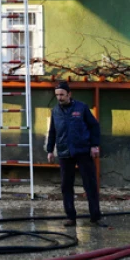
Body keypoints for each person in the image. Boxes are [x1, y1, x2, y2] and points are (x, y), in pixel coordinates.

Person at [45, 81, 105, 227]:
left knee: (90, 184)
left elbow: (94, 126)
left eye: (62, 95)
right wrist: (50, 150)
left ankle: (95, 217)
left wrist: (94, 145)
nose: (59, 98)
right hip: (64, 152)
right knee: (66, 185)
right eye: (57, 95)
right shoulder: (55, 111)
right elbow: (52, 132)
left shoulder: (81, 107)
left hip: (83, 150)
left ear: (69, 94)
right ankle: (70, 216)